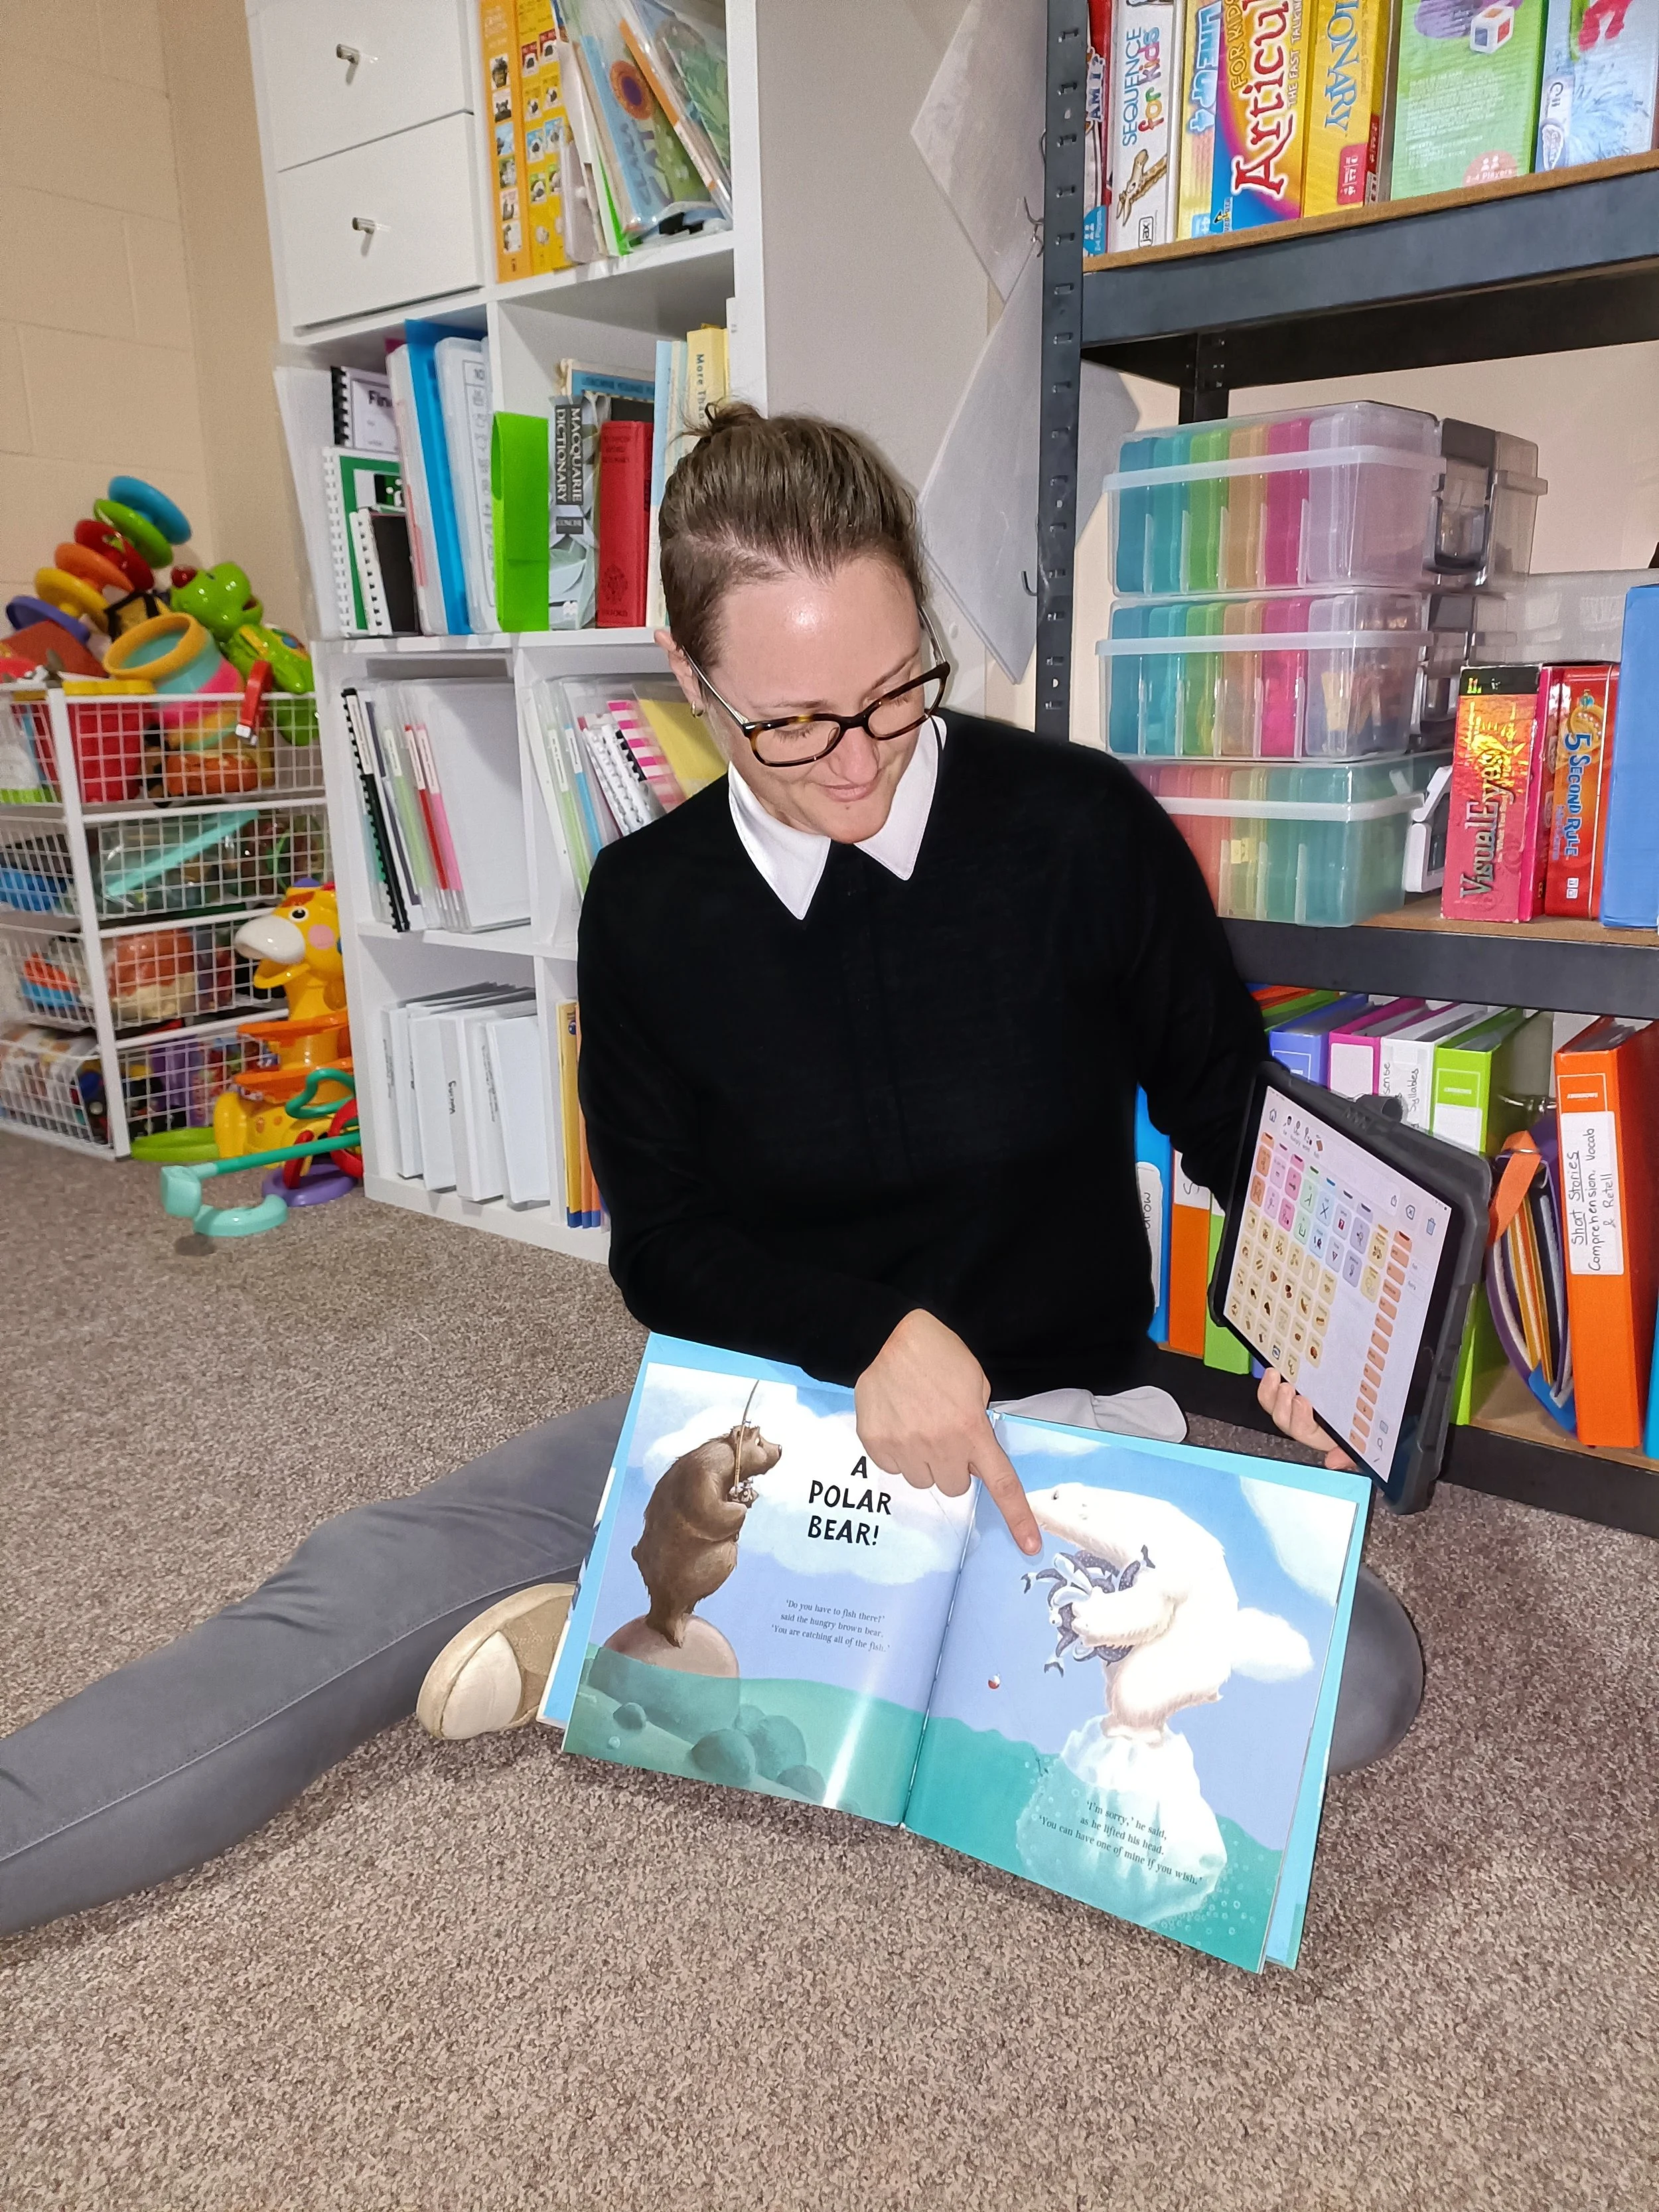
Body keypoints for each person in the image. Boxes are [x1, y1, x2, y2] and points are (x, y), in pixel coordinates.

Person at [0, 406, 1336, 1937]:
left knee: (1338, 1689)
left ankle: (658, 1646)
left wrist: (1310, 1319)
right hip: (760, 1426)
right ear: (689, 681)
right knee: (367, 1580)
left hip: (1047, 1427)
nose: (858, 758)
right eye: (790, 722)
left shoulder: (1078, 827)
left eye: (896, 690)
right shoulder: (646, 905)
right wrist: (868, 1339)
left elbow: (1232, 1105)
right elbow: (666, 1244)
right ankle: (725, 1631)